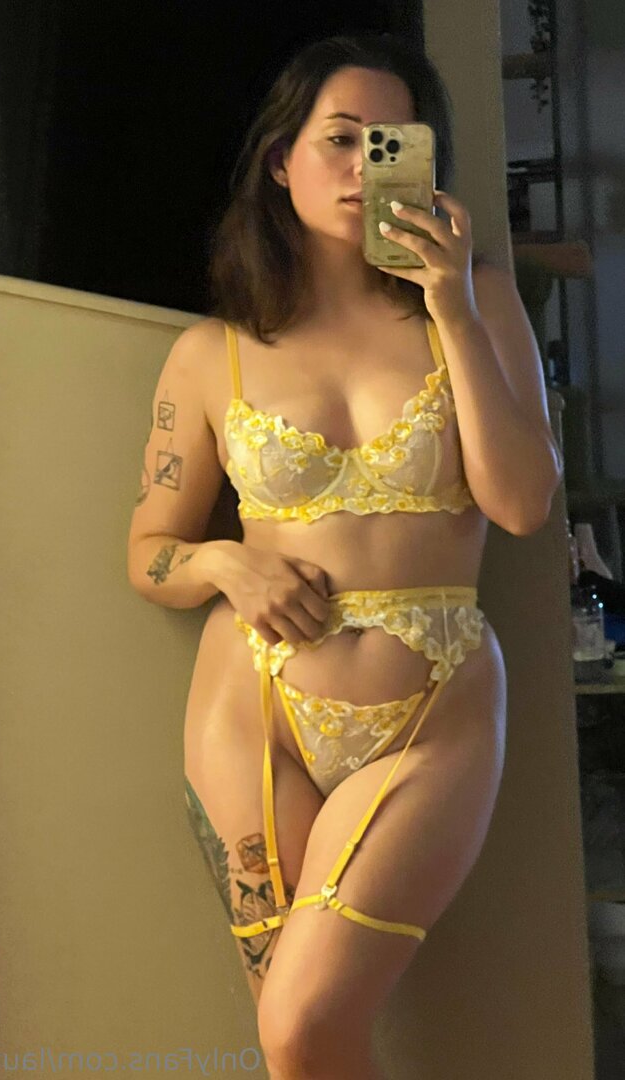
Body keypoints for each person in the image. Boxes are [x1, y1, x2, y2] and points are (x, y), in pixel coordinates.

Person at [127, 32, 562, 1080]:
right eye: (340, 138)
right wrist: (227, 565)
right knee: (299, 1038)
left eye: (392, 142)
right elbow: (148, 552)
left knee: (302, 1025)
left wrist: (451, 304)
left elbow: (521, 504)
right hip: (251, 715)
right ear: (281, 159)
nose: (365, 164)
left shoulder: (481, 303)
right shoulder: (212, 353)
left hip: (435, 714)